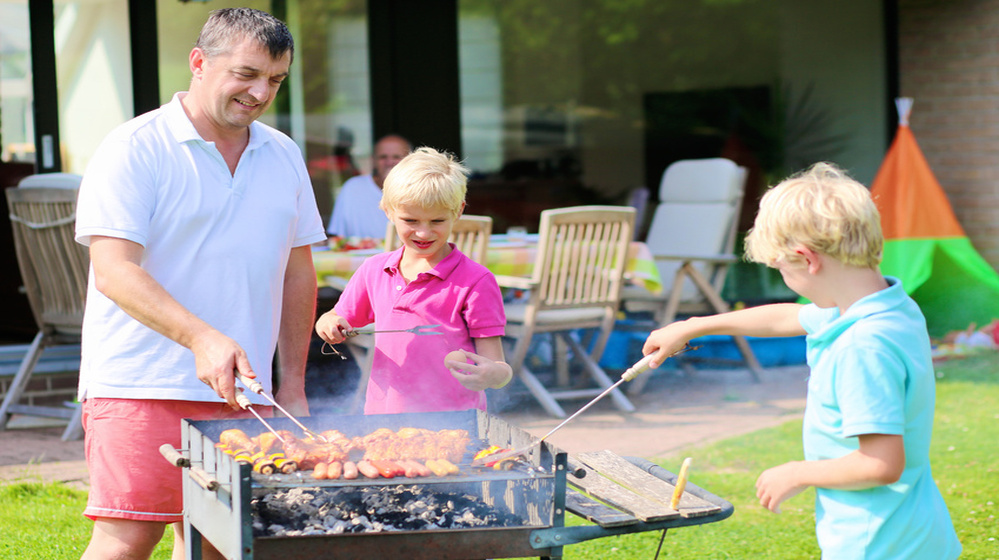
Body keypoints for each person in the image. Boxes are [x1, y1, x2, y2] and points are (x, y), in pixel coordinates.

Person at [74, 8, 326, 560]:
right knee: (128, 537)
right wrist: (201, 338)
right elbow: (115, 270)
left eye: (275, 81)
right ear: (198, 62)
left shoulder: (282, 154)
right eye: (246, 74)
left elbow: (296, 271)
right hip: (141, 383)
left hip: (245, 393)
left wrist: (294, 385)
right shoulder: (134, 147)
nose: (260, 93)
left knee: (221, 542)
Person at [641, 162, 961, 559]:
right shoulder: (886, 308)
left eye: (782, 271)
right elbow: (787, 316)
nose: (787, 283)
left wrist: (797, 472)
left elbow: (881, 464)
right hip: (916, 531)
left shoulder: (862, 345)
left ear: (806, 259)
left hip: (876, 542)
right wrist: (694, 325)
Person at [315, 147, 512, 413]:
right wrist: (328, 324)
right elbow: (337, 316)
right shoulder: (375, 269)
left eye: (437, 220)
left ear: (458, 211)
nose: (423, 232)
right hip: (384, 418)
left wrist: (494, 376)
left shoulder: (475, 281)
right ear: (388, 210)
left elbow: (498, 366)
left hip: (454, 422)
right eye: (410, 220)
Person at [326, 134, 412, 239]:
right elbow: (336, 237)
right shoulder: (352, 188)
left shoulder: (421, 191)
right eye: (383, 157)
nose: (389, 162)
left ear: (410, 161)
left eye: (396, 157)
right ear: (373, 161)